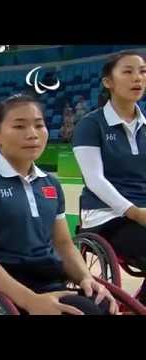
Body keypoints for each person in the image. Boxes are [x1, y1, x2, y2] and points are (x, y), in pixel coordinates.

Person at [0, 94, 117, 315]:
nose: (32, 134)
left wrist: (86, 278)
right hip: (3, 294)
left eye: (39, 125)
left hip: (51, 284)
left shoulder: (50, 184)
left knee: (102, 304)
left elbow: (63, 244)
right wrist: (30, 300)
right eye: (19, 126)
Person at [72, 51, 146, 304]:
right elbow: (94, 180)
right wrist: (136, 212)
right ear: (108, 82)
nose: (137, 78)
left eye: (143, 71)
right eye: (128, 72)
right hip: (106, 216)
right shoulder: (90, 125)